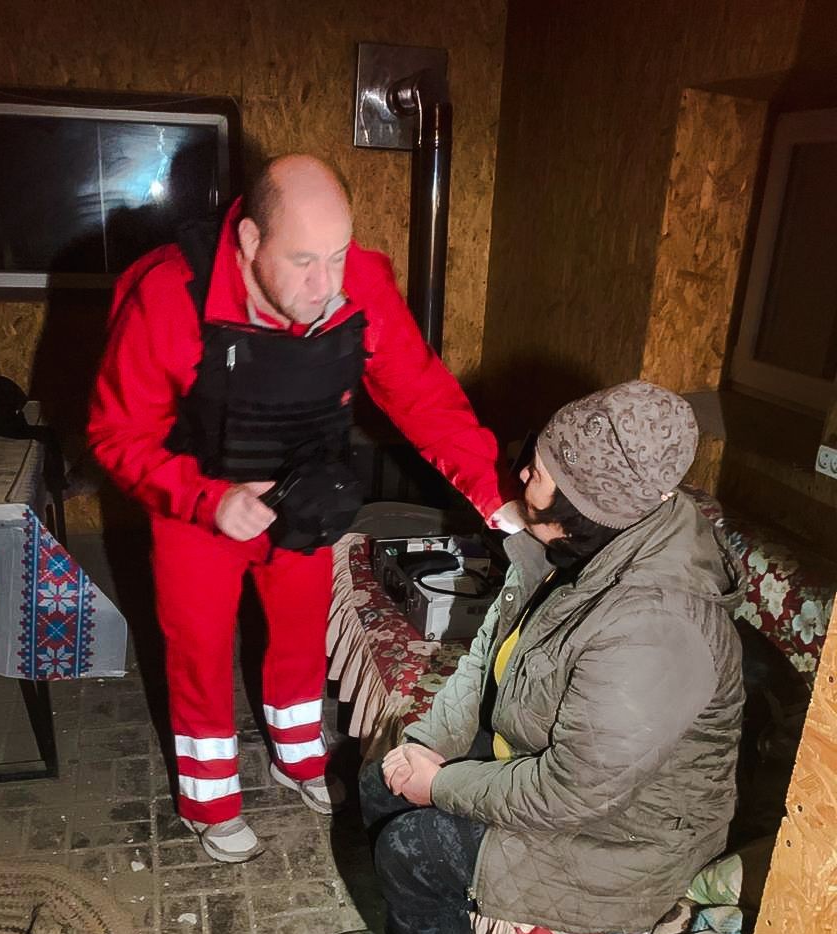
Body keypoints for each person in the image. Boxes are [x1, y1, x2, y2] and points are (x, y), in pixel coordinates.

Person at [88, 155, 520, 863]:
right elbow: (116, 433)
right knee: (198, 649)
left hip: (308, 490)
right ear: (250, 240)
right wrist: (206, 499)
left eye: (337, 256)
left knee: (298, 632)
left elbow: (422, 395)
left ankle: (297, 757)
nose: (326, 286)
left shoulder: (359, 285)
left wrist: (492, 494)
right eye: (303, 261)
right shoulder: (170, 296)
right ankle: (208, 799)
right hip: (197, 501)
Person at [329, 380, 745, 934]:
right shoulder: (574, 549)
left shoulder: (657, 626)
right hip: (567, 784)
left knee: (415, 848)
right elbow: (488, 659)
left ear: (587, 503)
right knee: (380, 778)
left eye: (542, 470)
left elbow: (574, 791)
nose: (523, 472)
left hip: (623, 839)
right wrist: (428, 744)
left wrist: (442, 784)